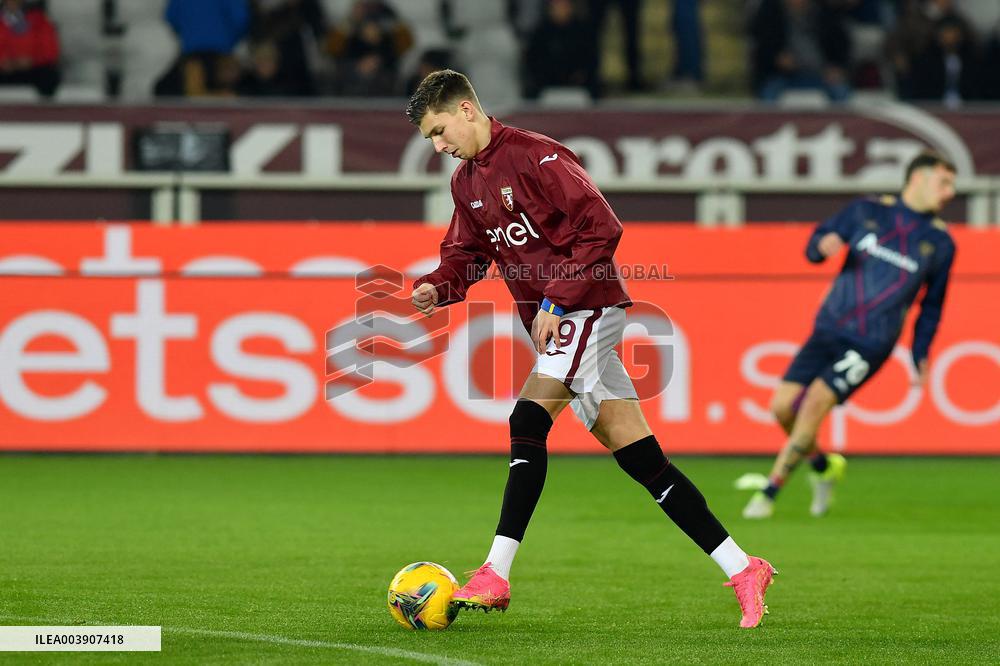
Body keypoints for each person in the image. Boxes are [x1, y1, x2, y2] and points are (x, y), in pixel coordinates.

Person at [405, 69, 776, 629]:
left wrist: (555, 303)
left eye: (438, 131)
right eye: (430, 140)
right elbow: (469, 254)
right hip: (554, 318)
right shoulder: (467, 183)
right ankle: (744, 566)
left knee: (527, 417)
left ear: (465, 110)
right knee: (638, 454)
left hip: (587, 307)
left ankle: (495, 573)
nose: (439, 147)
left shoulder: (538, 156)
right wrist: (440, 283)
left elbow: (601, 227)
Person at [742, 151, 957, 519]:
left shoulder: (939, 243)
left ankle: (770, 491)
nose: (950, 192)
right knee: (781, 408)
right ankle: (824, 467)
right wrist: (819, 248)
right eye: (944, 182)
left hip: (871, 342)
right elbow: (819, 239)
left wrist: (922, 352)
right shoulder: (866, 211)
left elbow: (931, 306)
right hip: (828, 328)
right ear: (917, 178)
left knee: (814, 403)